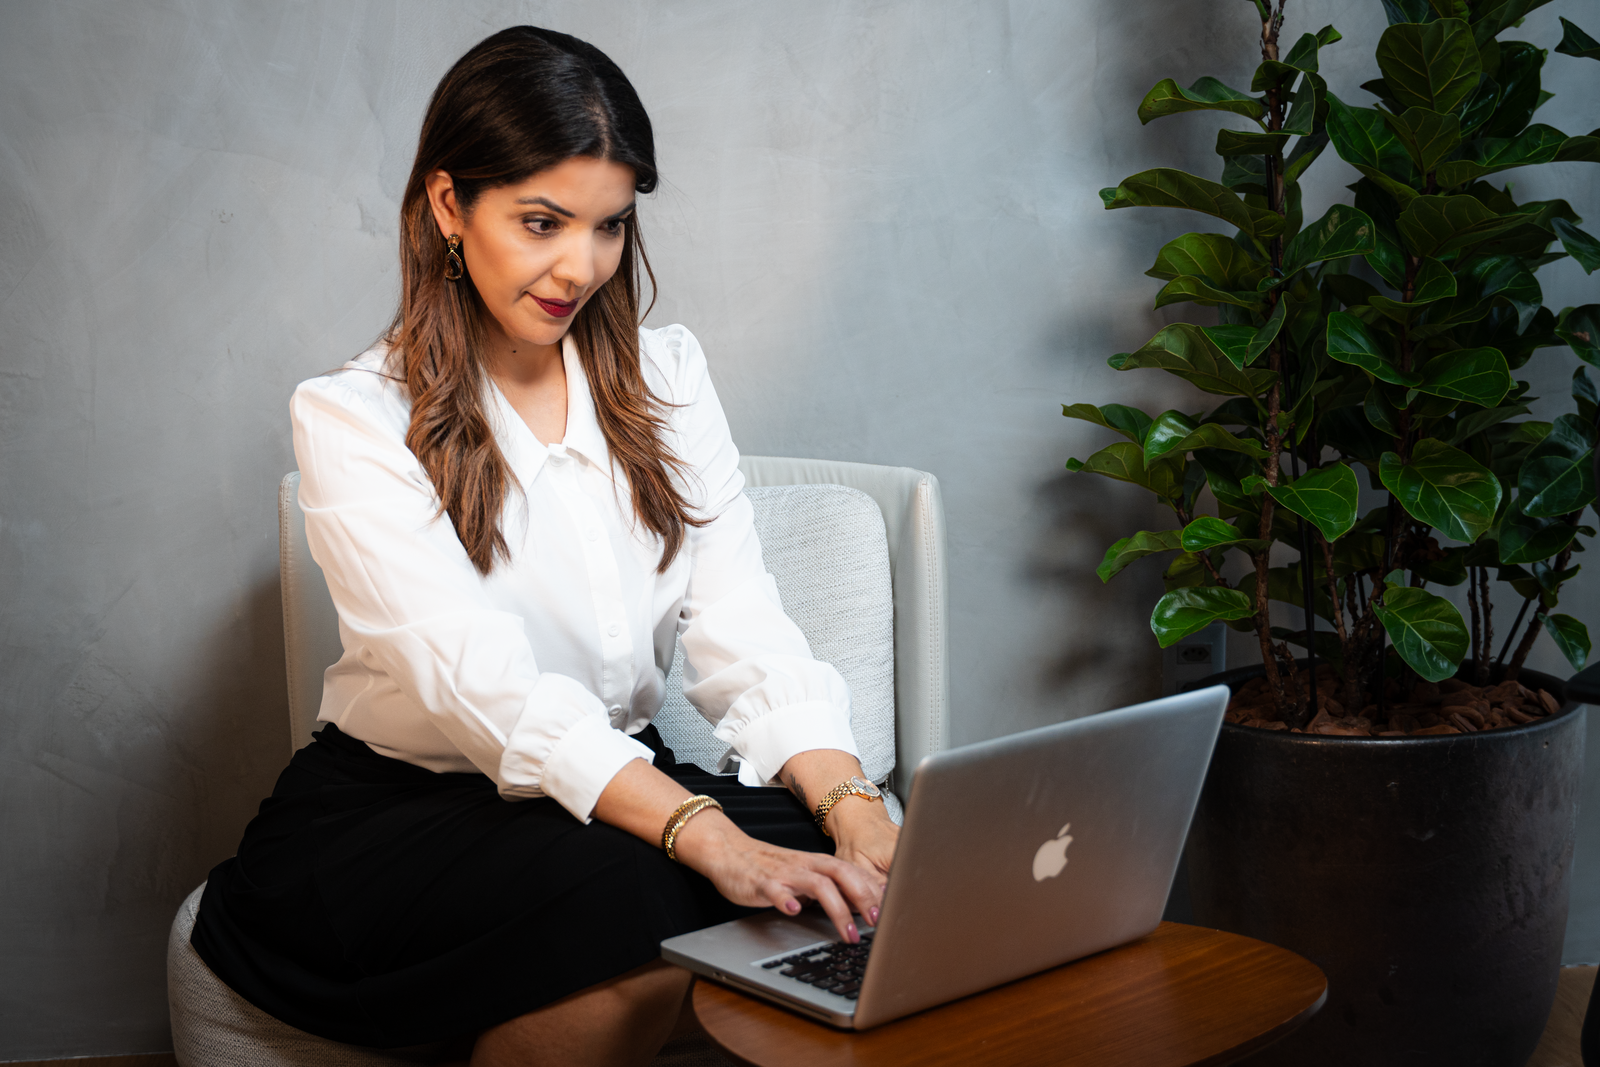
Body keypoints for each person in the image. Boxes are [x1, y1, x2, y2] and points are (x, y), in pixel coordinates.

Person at [191, 25, 899, 1067]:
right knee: (650, 895)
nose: (581, 265)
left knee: (852, 877)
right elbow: (483, 691)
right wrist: (710, 835)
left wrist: (856, 806)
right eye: (540, 221)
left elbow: (740, 621)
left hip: (615, 789)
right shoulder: (352, 416)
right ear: (447, 206)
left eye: (609, 226)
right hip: (407, 810)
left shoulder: (666, 378)